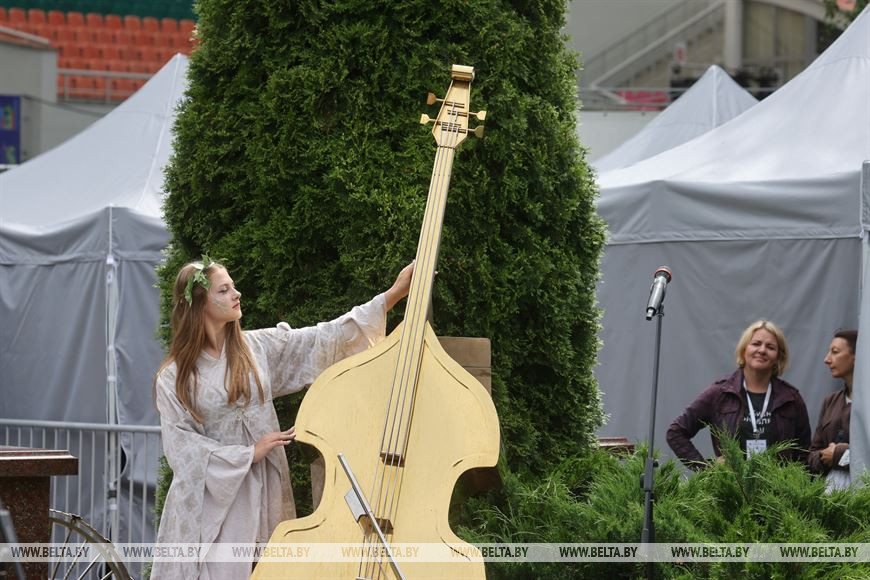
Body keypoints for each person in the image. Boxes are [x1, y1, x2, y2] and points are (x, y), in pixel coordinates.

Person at [151, 256, 414, 580]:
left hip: (266, 486)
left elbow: (324, 338)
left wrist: (394, 294)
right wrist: (248, 454)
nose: (237, 294)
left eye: (233, 286)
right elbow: (182, 449)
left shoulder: (256, 348)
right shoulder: (173, 377)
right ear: (199, 304)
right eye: (224, 290)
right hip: (214, 502)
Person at [666, 320, 812, 470]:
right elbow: (675, 433)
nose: (762, 350)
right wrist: (707, 469)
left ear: (778, 357)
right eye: (756, 344)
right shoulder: (720, 393)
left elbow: (804, 454)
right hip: (731, 484)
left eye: (770, 347)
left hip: (778, 485)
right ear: (743, 350)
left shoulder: (791, 399)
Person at [807, 329, 857, 491]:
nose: (827, 359)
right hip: (830, 495)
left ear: (856, 357)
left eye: (835, 352)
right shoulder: (830, 402)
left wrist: (839, 455)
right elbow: (812, 454)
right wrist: (824, 457)